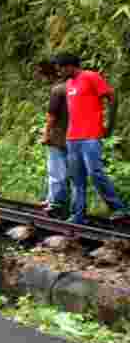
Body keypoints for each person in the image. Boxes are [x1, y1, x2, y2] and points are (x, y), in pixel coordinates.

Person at [50, 52, 128, 224]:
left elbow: (112, 97)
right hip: (72, 138)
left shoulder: (91, 77)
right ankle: (78, 215)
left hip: (91, 136)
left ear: (70, 66)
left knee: (95, 173)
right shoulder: (69, 83)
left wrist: (109, 126)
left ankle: (119, 208)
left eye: (60, 68)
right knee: (77, 178)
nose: (59, 72)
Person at [37, 61, 69, 218]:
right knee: (65, 171)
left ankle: (56, 202)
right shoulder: (71, 86)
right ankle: (52, 199)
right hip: (73, 134)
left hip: (58, 135)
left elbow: (52, 115)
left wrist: (46, 134)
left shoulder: (57, 89)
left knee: (56, 170)